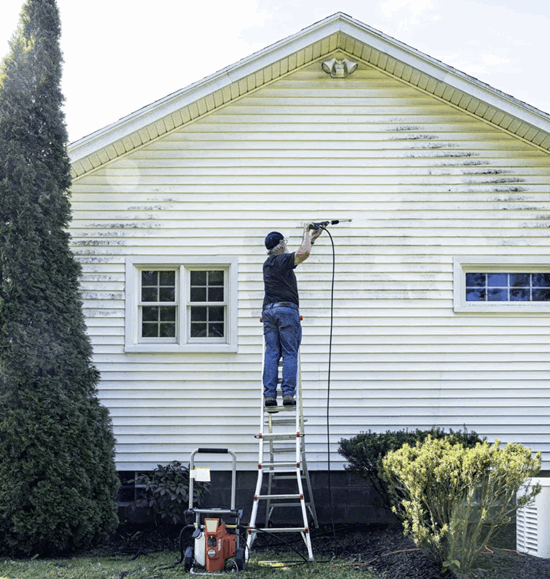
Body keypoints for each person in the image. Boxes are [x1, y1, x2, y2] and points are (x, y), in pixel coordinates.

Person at [262, 224, 323, 408]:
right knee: (289, 352)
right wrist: (305, 232)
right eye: (284, 243)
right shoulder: (282, 260)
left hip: (268, 312)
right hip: (286, 311)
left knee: (272, 353)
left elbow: (301, 252)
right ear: (280, 246)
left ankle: (269, 396)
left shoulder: (269, 264)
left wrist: (312, 239)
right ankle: (288, 394)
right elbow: (303, 254)